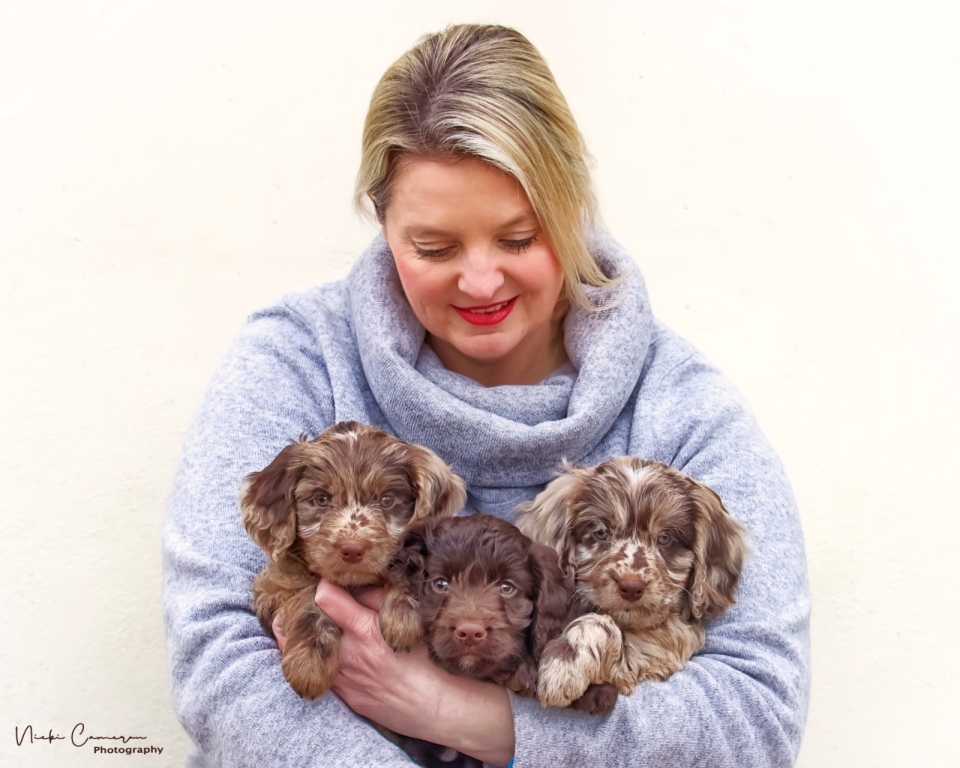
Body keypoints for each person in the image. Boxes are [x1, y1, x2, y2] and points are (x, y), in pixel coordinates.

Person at [163, 23, 810, 768]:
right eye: (434, 248)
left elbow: (757, 717)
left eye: (519, 238)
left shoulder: (685, 412)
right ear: (383, 221)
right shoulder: (295, 361)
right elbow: (218, 662)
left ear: (572, 207)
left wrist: (469, 718)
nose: (479, 283)